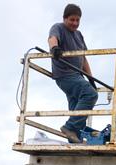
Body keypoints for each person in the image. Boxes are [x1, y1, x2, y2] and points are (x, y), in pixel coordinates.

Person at [48, 4, 98, 143]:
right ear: (65, 18)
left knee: (77, 105)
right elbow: (52, 38)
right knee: (90, 94)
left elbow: (83, 58)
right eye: (72, 20)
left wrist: (90, 78)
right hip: (64, 74)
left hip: (77, 75)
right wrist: (55, 48)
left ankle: (74, 138)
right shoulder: (58, 28)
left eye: (77, 20)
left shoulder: (79, 34)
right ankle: (69, 127)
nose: (75, 23)